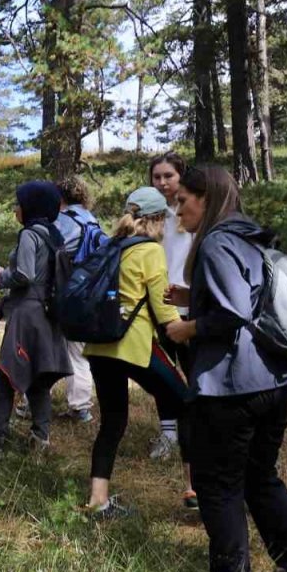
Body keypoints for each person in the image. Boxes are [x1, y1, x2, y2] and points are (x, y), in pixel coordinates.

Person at [166, 166, 287, 572]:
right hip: (273, 378)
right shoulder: (249, 236)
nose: (177, 208)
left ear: (207, 197)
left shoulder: (217, 241)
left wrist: (187, 327)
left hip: (231, 387)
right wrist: (191, 296)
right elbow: (251, 296)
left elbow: (233, 313)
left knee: (217, 484)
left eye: (183, 199)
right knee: (261, 478)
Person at [82, 187, 196, 516]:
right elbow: (164, 311)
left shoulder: (110, 246)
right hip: (133, 345)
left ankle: (98, 501)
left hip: (98, 345)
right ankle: (195, 489)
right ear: (158, 219)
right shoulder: (150, 251)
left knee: (113, 420)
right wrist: (191, 335)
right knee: (187, 405)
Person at [0, 182, 71, 456]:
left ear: (31, 207)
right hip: (47, 315)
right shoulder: (54, 235)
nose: (16, 208)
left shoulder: (29, 235)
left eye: (19, 204)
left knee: (6, 375)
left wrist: (0, 276)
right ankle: (40, 438)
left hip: (27, 315)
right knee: (39, 379)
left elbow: (24, 275)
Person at [147, 151, 193, 460]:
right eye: (157, 177)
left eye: (169, 176)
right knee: (163, 373)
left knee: (194, 371)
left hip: (189, 307)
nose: (163, 183)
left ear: (181, 177)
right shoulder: (151, 216)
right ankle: (168, 433)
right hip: (158, 307)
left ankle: (197, 429)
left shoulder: (195, 215)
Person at [53, 177, 99, 424]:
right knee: (79, 352)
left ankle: (30, 402)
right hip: (89, 292)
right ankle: (80, 406)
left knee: (47, 346)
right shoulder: (92, 219)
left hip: (64, 290)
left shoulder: (62, 221)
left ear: (59, 198)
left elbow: (51, 253)